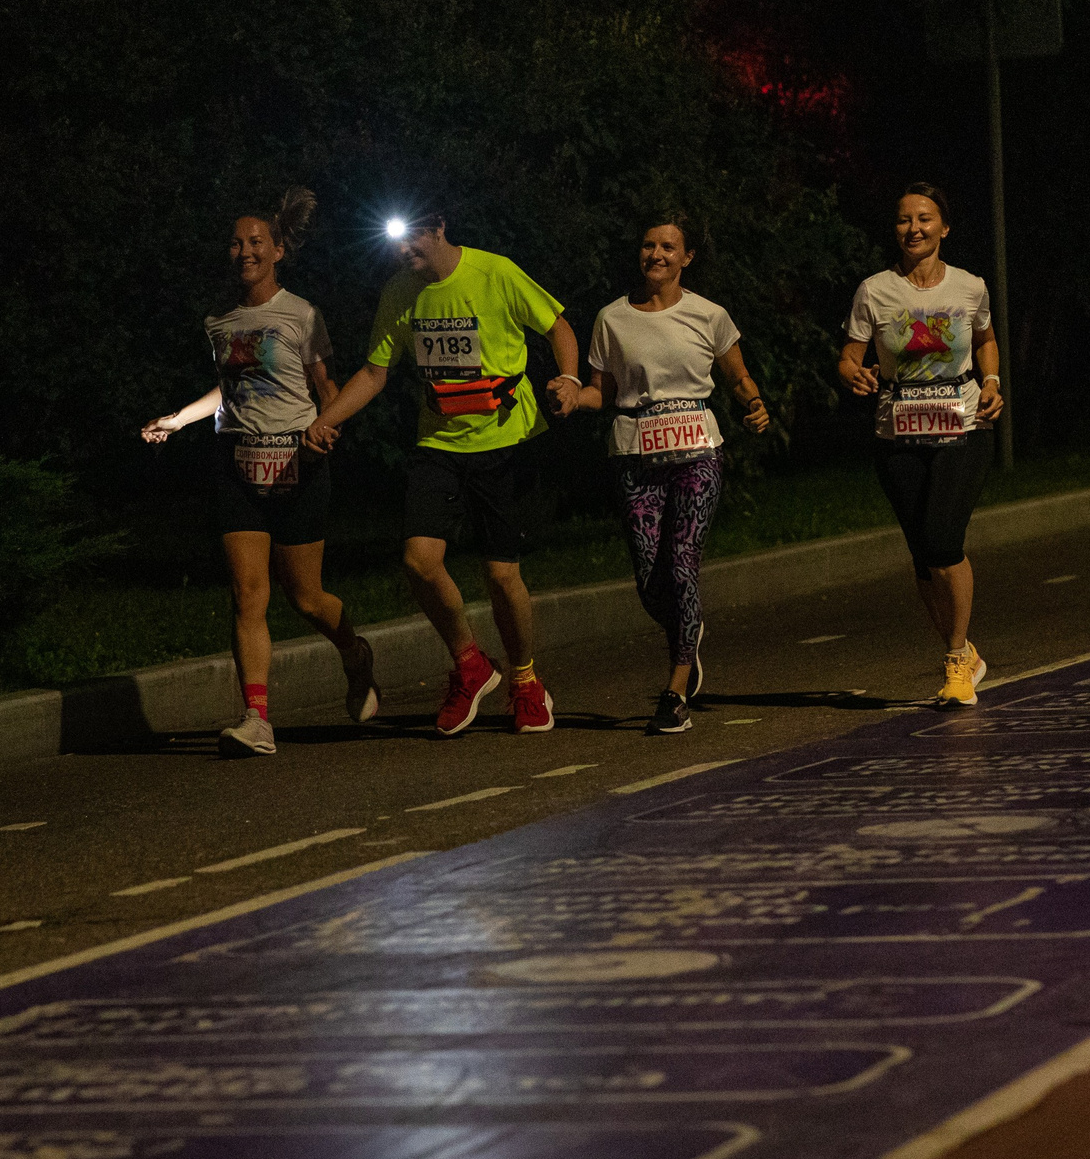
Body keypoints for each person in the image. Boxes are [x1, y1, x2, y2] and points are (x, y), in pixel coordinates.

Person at [307, 212, 576, 735]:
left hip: (505, 441)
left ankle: (524, 681)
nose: (402, 249)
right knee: (419, 561)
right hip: (439, 443)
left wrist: (566, 378)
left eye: (411, 237)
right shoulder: (400, 292)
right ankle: (471, 666)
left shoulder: (495, 273)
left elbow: (557, 326)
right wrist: (325, 419)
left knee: (502, 576)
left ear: (438, 226)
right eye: (394, 242)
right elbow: (374, 371)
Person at [143, 189, 380, 756]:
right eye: (236, 243)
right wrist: (178, 420)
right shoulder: (219, 320)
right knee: (248, 594)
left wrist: (327, 429)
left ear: (278, 251)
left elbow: (325, 387)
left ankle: (355, 653)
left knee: (306, 598)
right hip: (236, 462)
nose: (244, 251)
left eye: (256, 243)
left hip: (296, 463)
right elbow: (232, 389)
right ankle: (257, 718)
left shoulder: (301, 314)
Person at [551, 216, 770, 733]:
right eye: (649, 245)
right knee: (651, 579)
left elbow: (737, 377)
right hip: (634, 454)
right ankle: (687, 634)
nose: (656, 254)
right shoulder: (612, 318)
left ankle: (674, 690)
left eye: (668, 246)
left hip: (698, 450)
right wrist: (571, 397)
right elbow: (602, 390)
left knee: (682, 561)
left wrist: (755, 404)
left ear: (687, 257)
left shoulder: (708, 314)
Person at [835, 183, 1005, 706]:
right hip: (898, 428)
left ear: (944, 227)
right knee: (922, 557)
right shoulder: (875, 291)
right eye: (904, 220)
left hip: (963, 424)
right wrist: (853, 375)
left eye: (925, 219)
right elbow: (849, 356)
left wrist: (993, 382)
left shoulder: (970, 287)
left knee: (942, 541)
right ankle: (966, 655)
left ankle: (956, 659)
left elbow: (984, 341)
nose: (914, 228)